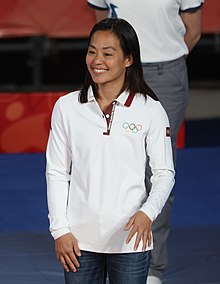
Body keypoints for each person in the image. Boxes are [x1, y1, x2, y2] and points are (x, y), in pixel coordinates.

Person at [46, 18, 175, 284]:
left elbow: (164, 173)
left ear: (128, 59)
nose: (97, 60)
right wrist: (60, 230)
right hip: (78, 241)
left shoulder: (151, 110)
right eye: (92, 51)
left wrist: (147, 213)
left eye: (108, 53)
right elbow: (57, 172)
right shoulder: (66, 107)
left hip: (131, 241)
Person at [87, 1, 204, 283]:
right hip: (118, 70)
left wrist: (162, 57)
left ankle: (151, 266)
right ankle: (106, 252)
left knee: (157, 170)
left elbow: (194, 31)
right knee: (111, 162)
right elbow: (103, 26)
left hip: (166, 75)